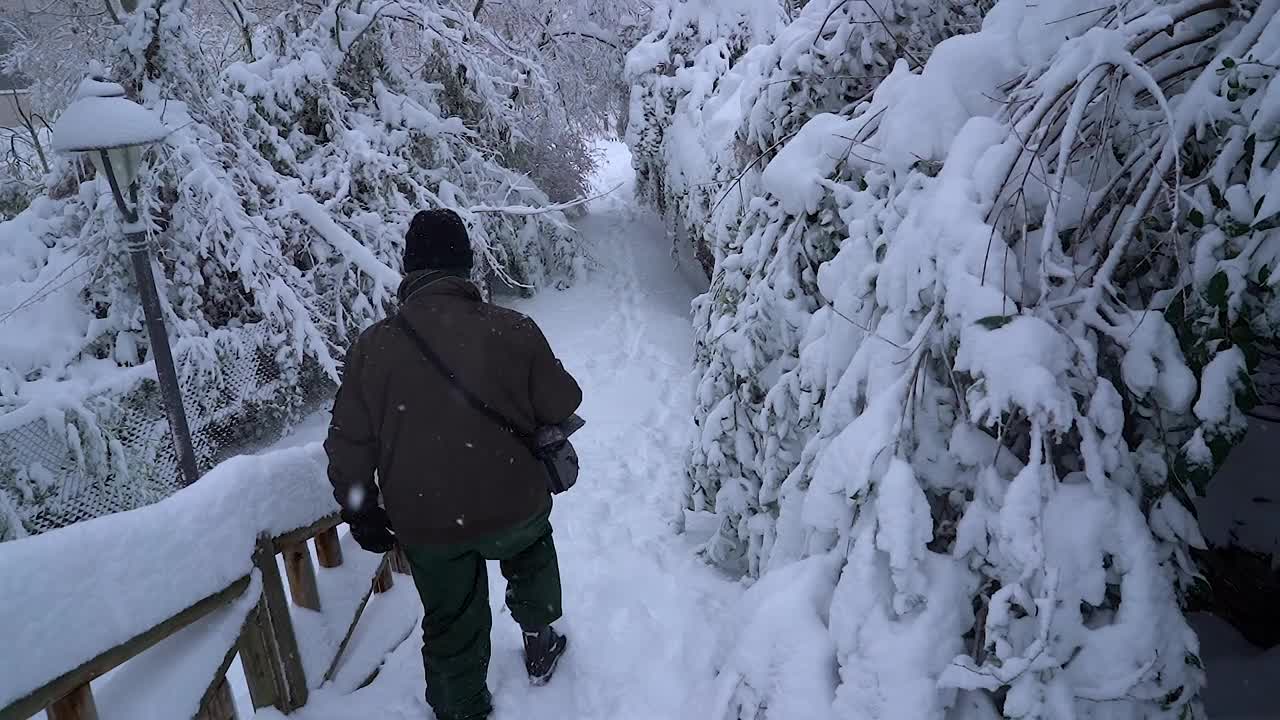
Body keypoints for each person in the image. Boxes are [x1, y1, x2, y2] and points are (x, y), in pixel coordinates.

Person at [324, 208, 583, 720]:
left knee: (450, 616)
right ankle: (539, 636)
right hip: (512, 502)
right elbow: (563, 400)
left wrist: (360, 508)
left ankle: (459, 705)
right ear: (466, 265)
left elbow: (349, 440)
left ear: (409, 269)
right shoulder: (514, 328)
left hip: (427, 520)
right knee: (531, 551)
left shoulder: (373, 347)